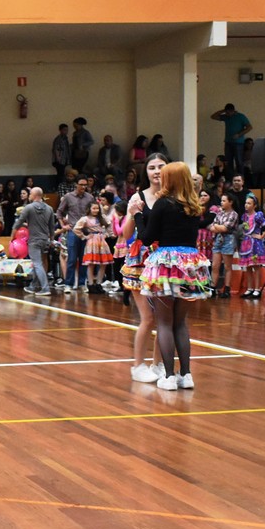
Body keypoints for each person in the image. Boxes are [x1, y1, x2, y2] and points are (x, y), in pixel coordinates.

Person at [139, 161, 208, 391]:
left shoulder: (163, 203)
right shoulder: (194, 205)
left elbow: (147, 237)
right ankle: (186, 375)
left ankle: (168, 376)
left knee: (164, 322)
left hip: (167, 263)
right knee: (180, 323)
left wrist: (138, 215)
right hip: (190, 264)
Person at [122, 154, 168, 383]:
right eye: (152, 167)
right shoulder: (137, 197)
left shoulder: (174, 196)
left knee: (164, 319)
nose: (157, 171)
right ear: (146, 172)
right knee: (148, 318)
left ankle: (158, 364)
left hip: (167, 259)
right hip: (141, 259)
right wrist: (132, 213)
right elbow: (126, 234)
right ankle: (138, 365)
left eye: (161, 166)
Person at [13, 187, 57, 297]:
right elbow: (52, 226)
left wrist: (12, 237)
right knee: (39, 263)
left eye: (30, 194)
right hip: (45, 240)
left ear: (35, 195)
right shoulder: (49, 208)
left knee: (37, 264)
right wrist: (51, 240)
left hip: (34, 240)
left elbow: (18, 223)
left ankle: (45, 288)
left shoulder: (28, 207)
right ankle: (33, 285)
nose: (29, 196)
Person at [56, 177, 92, 291]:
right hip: (73, 230)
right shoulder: (68, 197)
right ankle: (68, 284)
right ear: (76, 185)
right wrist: (63, 225)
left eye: (85, 185)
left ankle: (82, 283)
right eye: (81, 184)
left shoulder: (90, 197)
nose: (83, 187)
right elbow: (59, 212)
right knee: (71, 258)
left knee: (84, 259)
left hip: (86, 231)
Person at [73, 200, 113, 294]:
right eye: (94, 208)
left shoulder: (102, 217)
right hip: (92, 241)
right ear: (89, 209)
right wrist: (84, 236)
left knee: (103, 263)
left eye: (97, 208)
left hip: (101, 241)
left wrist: (107, 235)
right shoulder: (85, 219)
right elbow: (76, 229)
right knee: (91, 264)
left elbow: (109, 226)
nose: (96, 210)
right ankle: (91, 284)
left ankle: (99, 283)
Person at [236, 196, 265, 298]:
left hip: (255, 244)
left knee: (256, 267)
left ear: (254, 205)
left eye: (249, 203)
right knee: (247, 267)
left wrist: (262, 236)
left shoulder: (258, 216)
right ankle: (249, 288)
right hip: (246, 243)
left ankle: (257, 289)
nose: (246, 205)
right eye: (246, 203)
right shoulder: (244, 216)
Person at [208, 194, 238, 299]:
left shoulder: (234, 214)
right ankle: (213, 288)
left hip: (229, 240)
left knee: (227, 266)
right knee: (215, 265)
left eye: (224, 201)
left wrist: (216, 226)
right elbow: (212, 227)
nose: (221, 203)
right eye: (221, 201)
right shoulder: (219, 213)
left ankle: (227, 288)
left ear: (230, 202)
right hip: (218, 239)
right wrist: (218, 227)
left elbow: (225, 228)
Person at [210, 103, 252, 176]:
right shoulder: (226, 117)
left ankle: (241, 178)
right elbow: (213, 116)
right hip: (228, 142)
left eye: (229, 112)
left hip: (238, 143)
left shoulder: (241, 116)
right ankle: (230, 178)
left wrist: (239, 134)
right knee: (228, 162)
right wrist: (223, 111)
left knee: (239, 161)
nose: (228, 114)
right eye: (226, 112)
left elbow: (249, 127)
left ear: (233, 111)